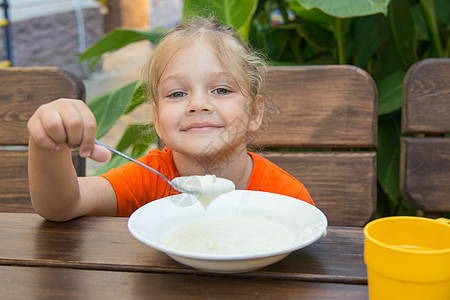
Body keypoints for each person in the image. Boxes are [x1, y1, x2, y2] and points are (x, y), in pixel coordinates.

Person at [27, 16, 314, 221]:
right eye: (177, 94)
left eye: (222, 89)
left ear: (255, 112)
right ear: (157, 118)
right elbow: (65, 204)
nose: (198, 104)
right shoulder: (147, 179)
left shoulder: (286, 198)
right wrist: (46, 144)